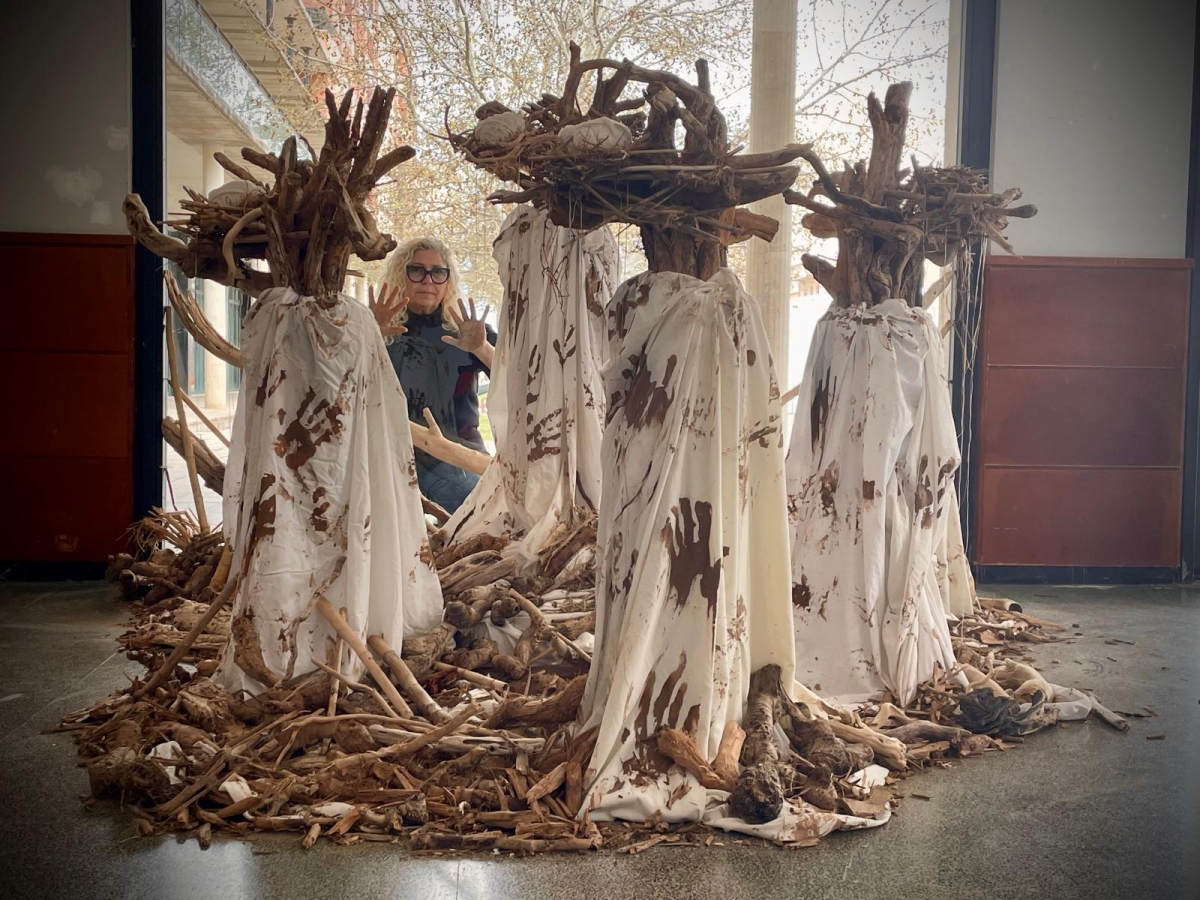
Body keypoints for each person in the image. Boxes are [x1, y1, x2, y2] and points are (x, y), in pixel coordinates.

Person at [370, 237, 496, 512]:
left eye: (438, 272)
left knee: (491, 508)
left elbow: (515, 381)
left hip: (462, 455)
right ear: (401, 276)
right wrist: (369, 336)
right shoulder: (380, 328)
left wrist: (481, 348)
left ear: (448, 281)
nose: (428, 280)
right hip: (394, 456)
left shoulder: (467, 331)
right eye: (417, 270)